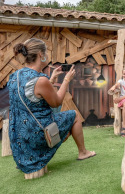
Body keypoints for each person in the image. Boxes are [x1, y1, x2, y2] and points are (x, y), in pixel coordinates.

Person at [8, 38, 96, 175]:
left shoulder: (14, 76)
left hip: (19, 139)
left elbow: (33, 96)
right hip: (37, 135)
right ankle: (83, 152)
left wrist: (51, 80)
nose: (47, 56)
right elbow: (56, 102)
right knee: (74, 115)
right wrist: (66, 80)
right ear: (40, 55)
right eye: (46, 52)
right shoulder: (40, 80)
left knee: (60, 118)